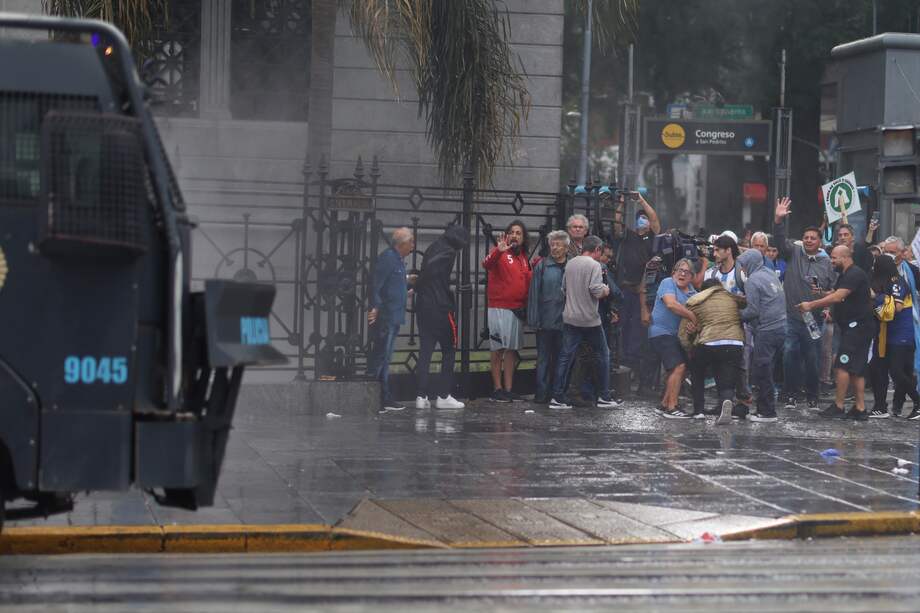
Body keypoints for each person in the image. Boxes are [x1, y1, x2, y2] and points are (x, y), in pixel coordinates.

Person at [773, 196, 836, 411]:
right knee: (789, 354)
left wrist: (826, 304)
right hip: (791, 317)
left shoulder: (827, 262)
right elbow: (780, 243)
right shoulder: (794, 253)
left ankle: (812, 395)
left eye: (813, 238)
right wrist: (778, 221)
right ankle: (789, 393)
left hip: (814, 319)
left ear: (820, 242)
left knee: (812, 358)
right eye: (805, 237)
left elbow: (834, 290)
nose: (808, 240)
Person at [799, 245, 874, 420]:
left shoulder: (854, 274)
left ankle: (839, 406)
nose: (831, 261)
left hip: (857, 329)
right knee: (856, 369)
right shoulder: (845, 275)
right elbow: (835, 293)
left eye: (834, 258)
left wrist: (810, 305)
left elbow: (838, 297)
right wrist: (821, 293)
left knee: (841, 365)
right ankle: (860, 408)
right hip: (855, 328)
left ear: (845, 257)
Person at [549, 235, 620, 410]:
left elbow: (563, 289)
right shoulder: (595, 265)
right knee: (603, 354)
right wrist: (606, 289)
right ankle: (604, 395)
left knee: (565, 356)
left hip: (570, 317)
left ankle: (557, 397)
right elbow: (596, 290)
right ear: (596, 250)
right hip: (589, 320)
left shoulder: (570, 263)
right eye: (600, 252)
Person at [414, 224, 468, 410]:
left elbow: (426, 271)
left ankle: (421, 396)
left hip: (423, 307)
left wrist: (417, 286)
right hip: (441, 307)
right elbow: (431, 270)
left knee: (425, 351)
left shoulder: (433, 246)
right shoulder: (448, 251)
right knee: (449, 350)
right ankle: (443, 395)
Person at [680, 278, 744, 424]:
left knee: (697, 372)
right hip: (734, 342)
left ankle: (699, 411)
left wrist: (690, 348)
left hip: (709, 342)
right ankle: (726, 400)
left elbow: (684, 333)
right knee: (726, 376)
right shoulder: (730, 298)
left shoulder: (696, 300)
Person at [612, 192, 661, 382]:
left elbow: (655, 220)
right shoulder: (629, 236)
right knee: (621, 327)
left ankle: (637, 369)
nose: (644, 221)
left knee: (639, 330)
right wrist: (622, 203)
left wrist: (641, 200)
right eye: (640, 218)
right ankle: (621, 363)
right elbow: (617, 224)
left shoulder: (652, 238)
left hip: (644, 291)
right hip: (625, 289)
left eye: (645, 218)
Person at [483, 220, 532, 402]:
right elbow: (486, 264)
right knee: (498, 348)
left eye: (518, 233)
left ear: (523, 238)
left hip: (517, 309)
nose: (514, 235)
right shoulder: (500, 252)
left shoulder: (524, 258)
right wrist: (498, 250)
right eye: (512, 232)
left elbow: (526, 282)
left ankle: (509, 389)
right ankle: (497, 389)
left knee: (511, 350)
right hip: (499, 308)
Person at [367, 227, 415, 411]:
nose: (413, 245)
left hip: (394, 315)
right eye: (411, 242)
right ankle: (377, 398)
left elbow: (392, 285)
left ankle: (383, 397)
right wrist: (376, 307)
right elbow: (377, 285)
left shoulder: (398, 260)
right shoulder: (388, 258)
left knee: (385, 358)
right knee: (381, 358)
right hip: (386, 316)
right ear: (402, 243)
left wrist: (406, 289)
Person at [736, 249, 787, 422]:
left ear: (749, 264)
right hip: (781, 327)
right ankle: (766, 407)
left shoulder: (753, 280)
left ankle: (767, 412)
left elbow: (753, 311)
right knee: (768, 369)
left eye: (742, 266)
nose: (741, 270)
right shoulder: (769, 273)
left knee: (762, 370)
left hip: (767, 329)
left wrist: (734, 313)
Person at [867, 254, 918, 418]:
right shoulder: (883, 283)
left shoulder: (897, 282)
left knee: (897, 372)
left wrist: (877, 297)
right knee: (877, 368)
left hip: (901, 336)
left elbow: (897, 307)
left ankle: (917, 402)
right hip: (885, 336)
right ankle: (880, 406)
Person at [648, 258, 697, 417]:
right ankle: (672, 407)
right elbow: (670, 304)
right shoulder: (667, 282)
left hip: (678, 336)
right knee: (679, 366)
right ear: (673, 272)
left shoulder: (693, 293)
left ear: (692, 276)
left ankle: (664, 404)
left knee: (681, 369)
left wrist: (693, 325)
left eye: (687, 272)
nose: (682, 274)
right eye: (679, 270)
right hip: (661, 332)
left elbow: (697, 316)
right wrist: (690, 315)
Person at [527, 230, 569, 404]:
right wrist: (533, 319)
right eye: (552, 244)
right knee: (543, 359)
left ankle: (557, 393)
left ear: (566, 247)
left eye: (558, 244)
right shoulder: (542, 266)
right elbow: (534, 294)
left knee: (562, 359)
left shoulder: (572, 266)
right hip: (545, 321)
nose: (555, 248)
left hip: (566, 321)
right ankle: (541, 393)